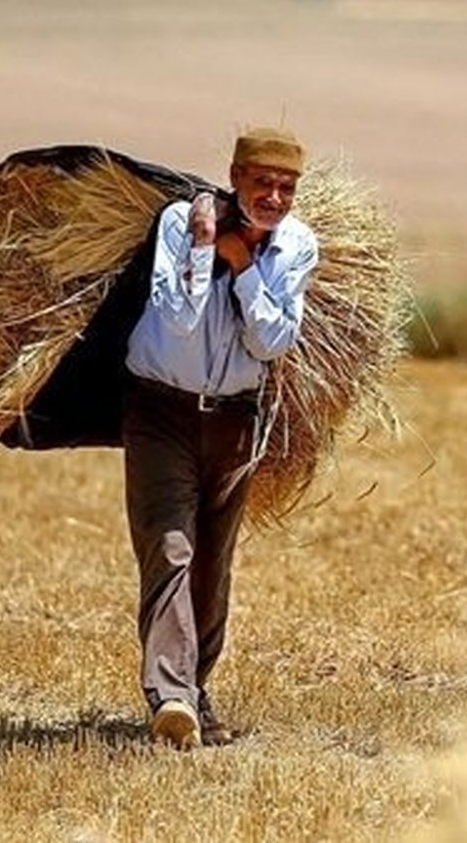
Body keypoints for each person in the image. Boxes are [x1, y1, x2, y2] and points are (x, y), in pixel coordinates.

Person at [121, 125, 318, 749]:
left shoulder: (297, 247)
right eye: (263, 183)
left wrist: (242, 270)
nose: (276, 197)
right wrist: (207, 247)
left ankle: (194, 694)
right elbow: (176, 323)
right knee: (170, 547)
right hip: (160, 411)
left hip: (236, 419)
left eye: (287, 187)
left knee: (212, 562)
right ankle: (171, 693)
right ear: (235, 177)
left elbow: (274, 341)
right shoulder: (183, 221)